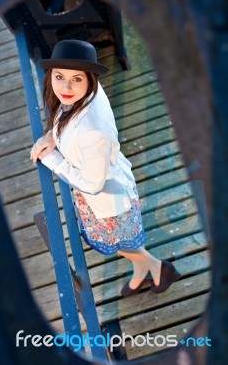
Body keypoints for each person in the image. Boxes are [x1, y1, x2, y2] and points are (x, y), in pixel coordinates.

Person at [30, 39, 180, 296]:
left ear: (89, 79)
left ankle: (157, 267)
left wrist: (51, 158)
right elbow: (66, 118)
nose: (65, 86)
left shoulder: (93, 131)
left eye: (76, 78)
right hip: (96, 190)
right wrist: (51, 137)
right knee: (119, 242)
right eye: (59, 76)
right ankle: (142, 269)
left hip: (106, 198)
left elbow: (91, 183)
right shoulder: (83, 95)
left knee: (117, 242)